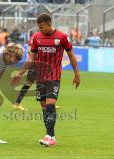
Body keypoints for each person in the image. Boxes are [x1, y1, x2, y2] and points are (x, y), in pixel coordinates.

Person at [11, 13, 80, 147]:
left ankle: (49, 136)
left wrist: (77, 74)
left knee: (50, 104)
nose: (40, 29)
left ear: (49, 24)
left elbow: (71, 55)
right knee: (44, 106)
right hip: (40, 76)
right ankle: (51, 136)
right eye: (39, 27)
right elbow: (31, 58)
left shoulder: (61, 37)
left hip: (54, 76)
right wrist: (20, 73)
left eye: (42, 27)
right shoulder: (37, 37)